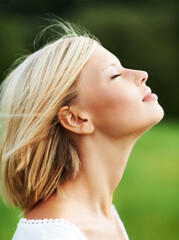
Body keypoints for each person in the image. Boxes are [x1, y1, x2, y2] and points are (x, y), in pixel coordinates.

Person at [0, 19, 164, 240]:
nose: (141, 73)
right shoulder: (49, 235)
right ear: (75, 119)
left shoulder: (103, 216)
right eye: (114, 75)